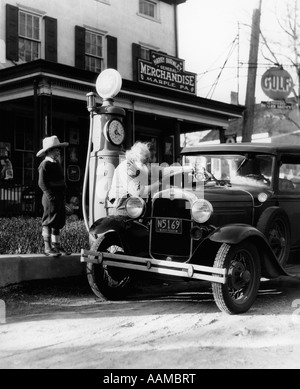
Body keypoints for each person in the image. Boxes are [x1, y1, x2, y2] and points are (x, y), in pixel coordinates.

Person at [107, 141, 192, 215]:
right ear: (135, 158)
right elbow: (138, 191)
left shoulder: (141, 164)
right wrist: (157, 184)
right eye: (144, 161)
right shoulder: (126, 168)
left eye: (146, 161)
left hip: (133, 206)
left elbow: (162, 171)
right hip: (120, 207)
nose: (146, 164)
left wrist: (184, 168)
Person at [37, 136, 70, 257]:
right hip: (50, 198)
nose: (58, 151)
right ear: (50, 151)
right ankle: (48, 247)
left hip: (59, 197)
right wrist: (51, 196)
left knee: (57, 221)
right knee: (48, 221)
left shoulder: (56, 164)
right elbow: (41, 183)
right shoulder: (44, 164)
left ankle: (56, 246)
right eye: (56, 149)